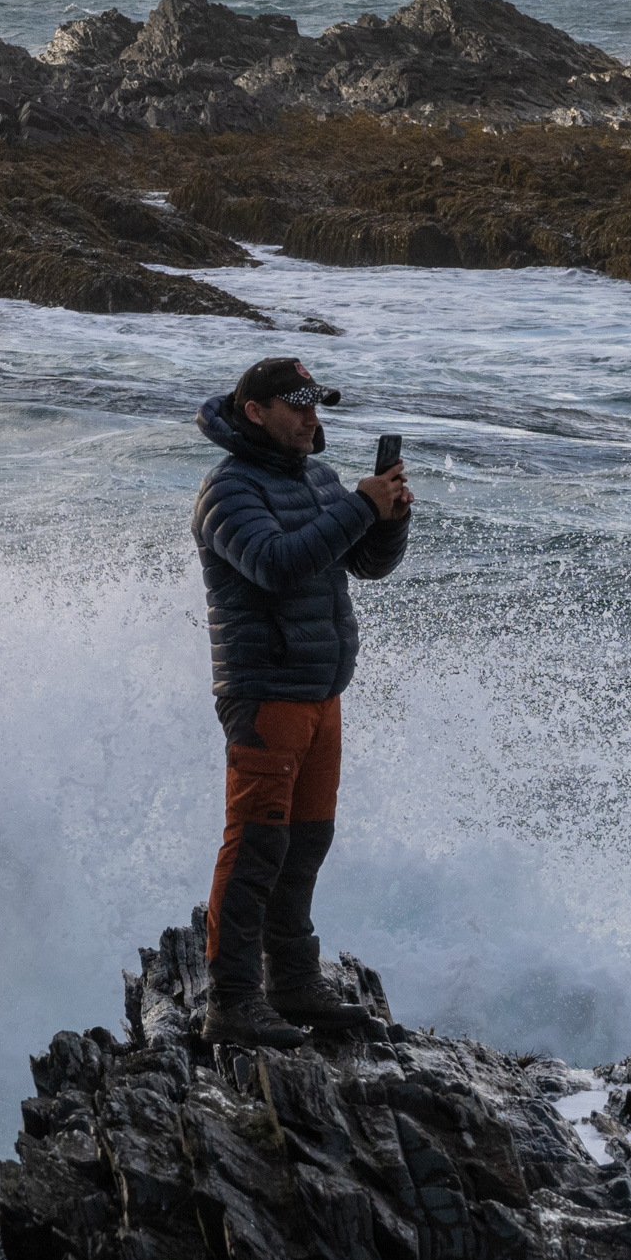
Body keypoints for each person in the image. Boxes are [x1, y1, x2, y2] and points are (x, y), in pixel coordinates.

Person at [190, 351, 413, 1046]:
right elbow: (277, 565)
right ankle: (232, 1001)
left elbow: (365, 564)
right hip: (265, 692)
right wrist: (360, 505)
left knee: (306, 841)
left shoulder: (317, 478)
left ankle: (291, 981)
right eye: (298, 407)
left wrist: (389, 518)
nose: (311, 419)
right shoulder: (227, 490)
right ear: (256, 412)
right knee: (257, 845)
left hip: (321, 690)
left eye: (316, 406)